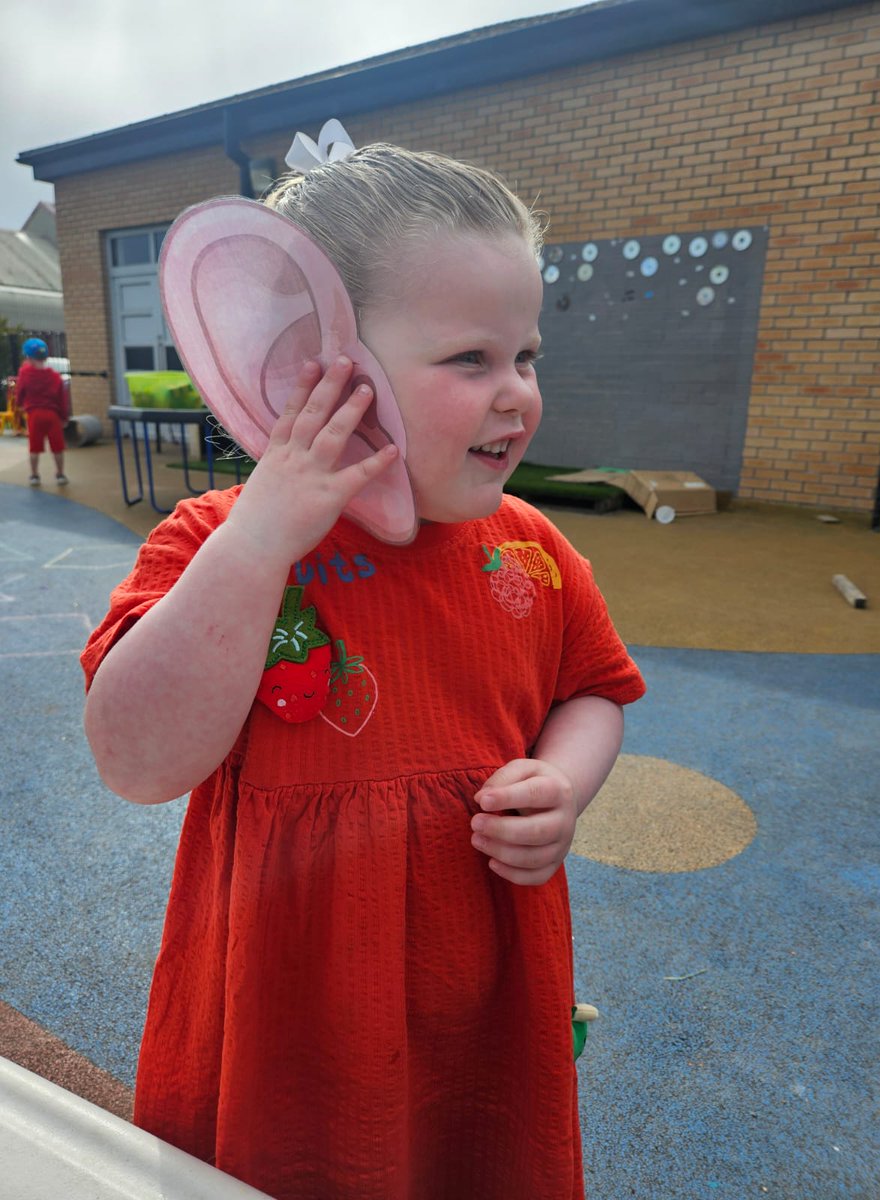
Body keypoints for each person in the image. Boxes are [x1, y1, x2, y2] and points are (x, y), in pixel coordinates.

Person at [81, 133, 646, 1200]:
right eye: (470, 360)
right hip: (289, 1030)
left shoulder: (532, 548)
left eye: (525, 356)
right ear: (314, 369)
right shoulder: (214, 542)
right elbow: (138, 759)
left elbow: (594, 689)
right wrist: (262, 539)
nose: (518, 394)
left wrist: (565, 782)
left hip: (476, 1004)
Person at [16, 337, 69, 486]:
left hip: (34, 415)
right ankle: (60, 475)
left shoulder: (25, 374)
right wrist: (64, 417)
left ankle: (34, 475)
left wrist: (20, 404)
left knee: (34, 448)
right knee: (57, 447)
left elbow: (20, 391)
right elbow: (62, 399)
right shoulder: (55, 376)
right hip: (52, 415)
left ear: (28, 357)